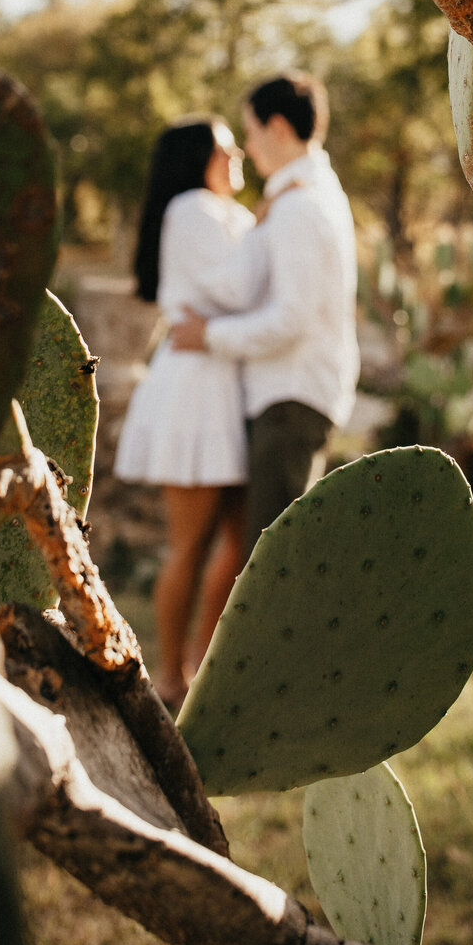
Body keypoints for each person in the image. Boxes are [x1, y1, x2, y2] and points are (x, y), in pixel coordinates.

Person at [170, 73, 359, 545]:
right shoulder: (297, 197)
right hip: (289, 394)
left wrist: (208, 335)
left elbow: (289, 320)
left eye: (251, 133)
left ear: (276, 127)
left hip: (291, 397)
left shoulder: (300, 207)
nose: (248, 149)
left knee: (275, 562)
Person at [114, 116, 254, 710]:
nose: (237, 153)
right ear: (199, 158)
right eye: (226, 145)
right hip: (198, 389)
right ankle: (171, 676)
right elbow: (238, 289)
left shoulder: (221, 211)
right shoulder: (195, 209)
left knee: (239, 540)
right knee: (190, 544)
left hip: (219, 378)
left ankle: (197, 667)